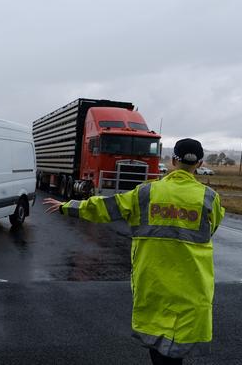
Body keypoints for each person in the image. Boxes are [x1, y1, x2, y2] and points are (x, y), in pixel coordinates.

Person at [43, 138, 225, 365]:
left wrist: (68, 206)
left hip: (154, 283)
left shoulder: (147, 193)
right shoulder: (209, 198)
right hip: (192, 286)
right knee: (176, 349)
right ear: (199, 164)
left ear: (172, 160)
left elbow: (108, 207)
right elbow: (213, 227)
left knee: (159, 347)